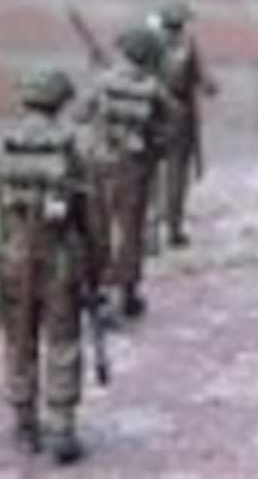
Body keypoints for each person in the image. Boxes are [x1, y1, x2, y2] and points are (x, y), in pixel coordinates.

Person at [0, 69, 107, 464]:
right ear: (61, 102)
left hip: (12, 261)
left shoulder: (1, 146)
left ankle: (24, 420)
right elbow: (95, 216)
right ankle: (62, 426)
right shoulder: (76, 148)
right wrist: (97, 266)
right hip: (61, 263)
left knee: (18, 342)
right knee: (63, 341)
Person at [79, 26, 178, 318]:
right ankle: (128, 291)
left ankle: (95, 286)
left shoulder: (103, 82)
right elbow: (173, 122)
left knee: (97, 225)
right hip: (134, 165)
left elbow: (79, 114)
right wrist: (155, 147)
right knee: (130, 229)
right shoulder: (153, 88)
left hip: (99, 162)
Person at [148, 1, 218, 248]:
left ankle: (165, 230)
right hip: (166, 113)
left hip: (165, 114)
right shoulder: (179, 45)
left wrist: (208, 85)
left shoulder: (170, 43)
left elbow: (201, 76)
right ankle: (163, 230)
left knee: (165, 176)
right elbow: (203, 79)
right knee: (166, 176)